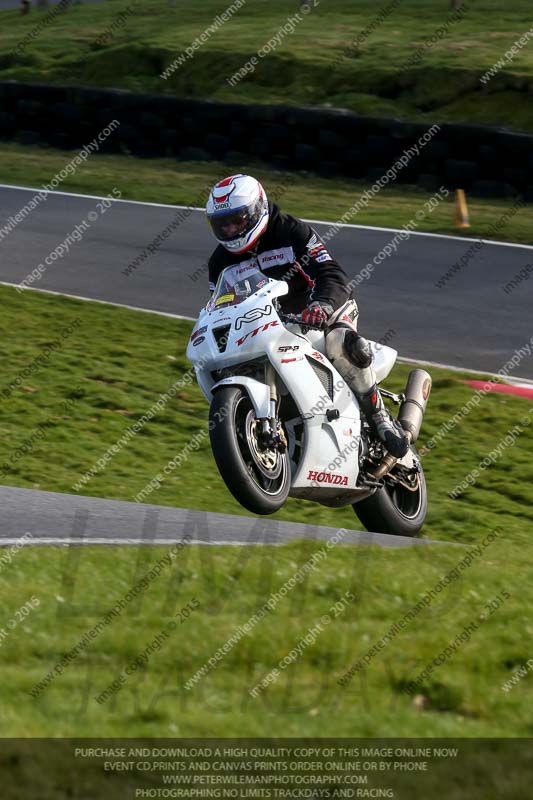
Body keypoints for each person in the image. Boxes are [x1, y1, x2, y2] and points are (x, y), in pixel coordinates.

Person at [206, 174, 409, 458]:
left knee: (341, 341)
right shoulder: (219, 262)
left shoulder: (291, 232)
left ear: (257, 209)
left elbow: (331, 273)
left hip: (319, 310)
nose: (230, 229)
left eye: (237, 220)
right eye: (222, 224)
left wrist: (322, 306)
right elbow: (220, 305)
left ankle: (378, 417)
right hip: (268, 325)